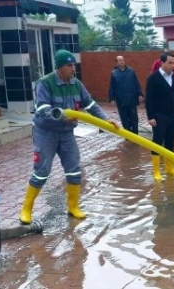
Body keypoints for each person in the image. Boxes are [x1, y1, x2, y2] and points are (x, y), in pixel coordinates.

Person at [19, 49, 119, 225]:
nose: (74, 69)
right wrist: (65, 115)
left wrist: (106, 120)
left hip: (66, 134)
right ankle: (26, 209)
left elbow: (90, 105)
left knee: (74, 170)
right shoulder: (45, 83)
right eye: (69, 65)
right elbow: (42, 110)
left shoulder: (76, 84)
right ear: (59, 67)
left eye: (74, 65)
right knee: (42, 172)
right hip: (46, 133)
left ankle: (73, 207)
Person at [145, 52, 174, 180]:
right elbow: (149, 99)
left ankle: (170, 168)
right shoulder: (153, 78)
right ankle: (156, 171)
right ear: (162, 63)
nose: (172, 65)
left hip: (172, 115)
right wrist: (150, 117)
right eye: (170, 63)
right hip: (159, 115)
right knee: (157, 142)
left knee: (170, 142)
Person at [108, 55, 143, 134]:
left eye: (123, 60)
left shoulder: (131, 71)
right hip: (121, 100)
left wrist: (140, 94)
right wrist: (112, 98)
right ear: (116, 62)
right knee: (124, 118)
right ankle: (127, 134)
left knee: (134, 118)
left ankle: (135, 134)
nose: (122, 61)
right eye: (119, 60)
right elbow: (112, 87)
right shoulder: (114, 73)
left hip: (132, 99)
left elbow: (137, 83)